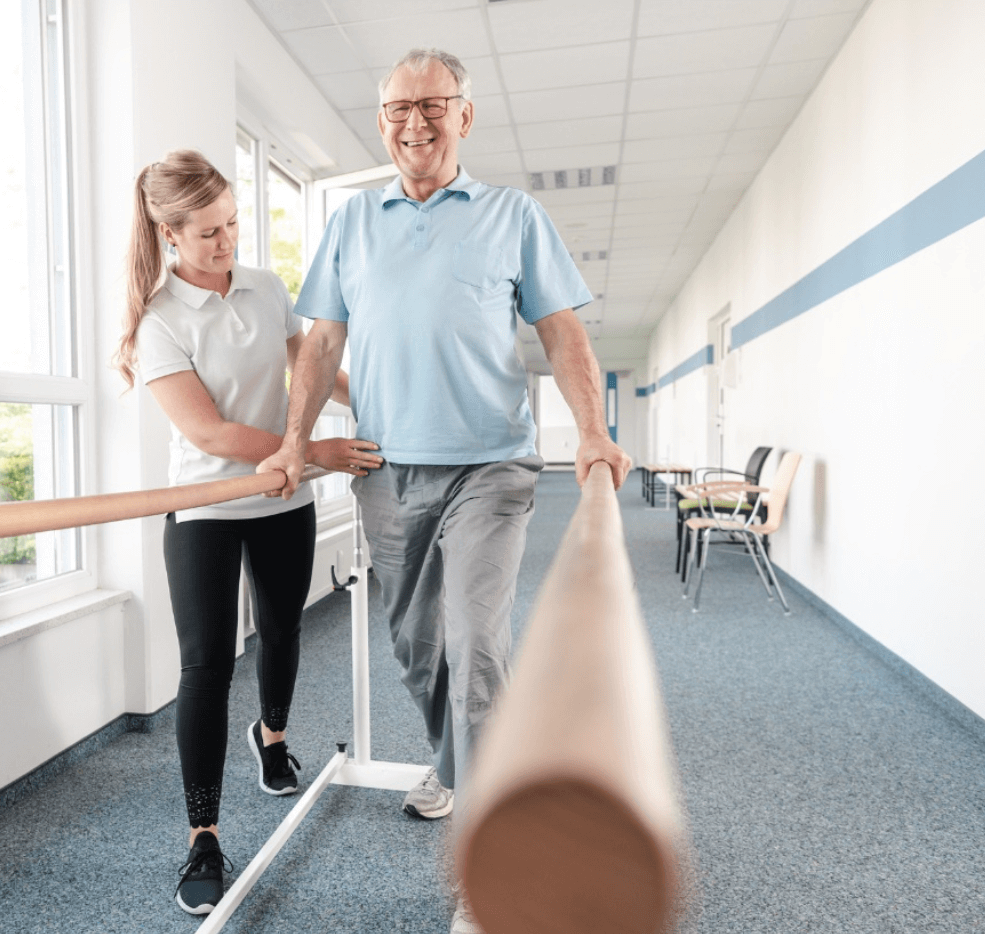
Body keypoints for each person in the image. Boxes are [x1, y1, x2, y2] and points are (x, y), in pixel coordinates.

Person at [256, 50, 632, 934]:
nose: (413, 122)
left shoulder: (513, 215)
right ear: (380, 119)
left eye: (432, 105)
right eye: (396, 109)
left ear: (466, 116)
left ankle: (490, 863)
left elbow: (562, 330)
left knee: (475, 641)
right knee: (420, 650)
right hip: (384, 471)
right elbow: (319, 344)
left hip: (491, 467)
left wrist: (590, 430)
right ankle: (459, 765)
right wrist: (293, 443)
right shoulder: (352, 222)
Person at [114, 150, 383, 916]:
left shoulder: (265, 287)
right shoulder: (159, 321)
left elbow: (307, 362)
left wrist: (364, 403)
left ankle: (272, 738)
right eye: (207, 233)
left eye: (232, 224)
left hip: (280, 499)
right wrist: (311, 450)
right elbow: (211, 429)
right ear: (169, 234)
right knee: (204, 666)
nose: (226, 241)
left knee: (282, 629)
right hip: (205, 503)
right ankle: (203, 835)